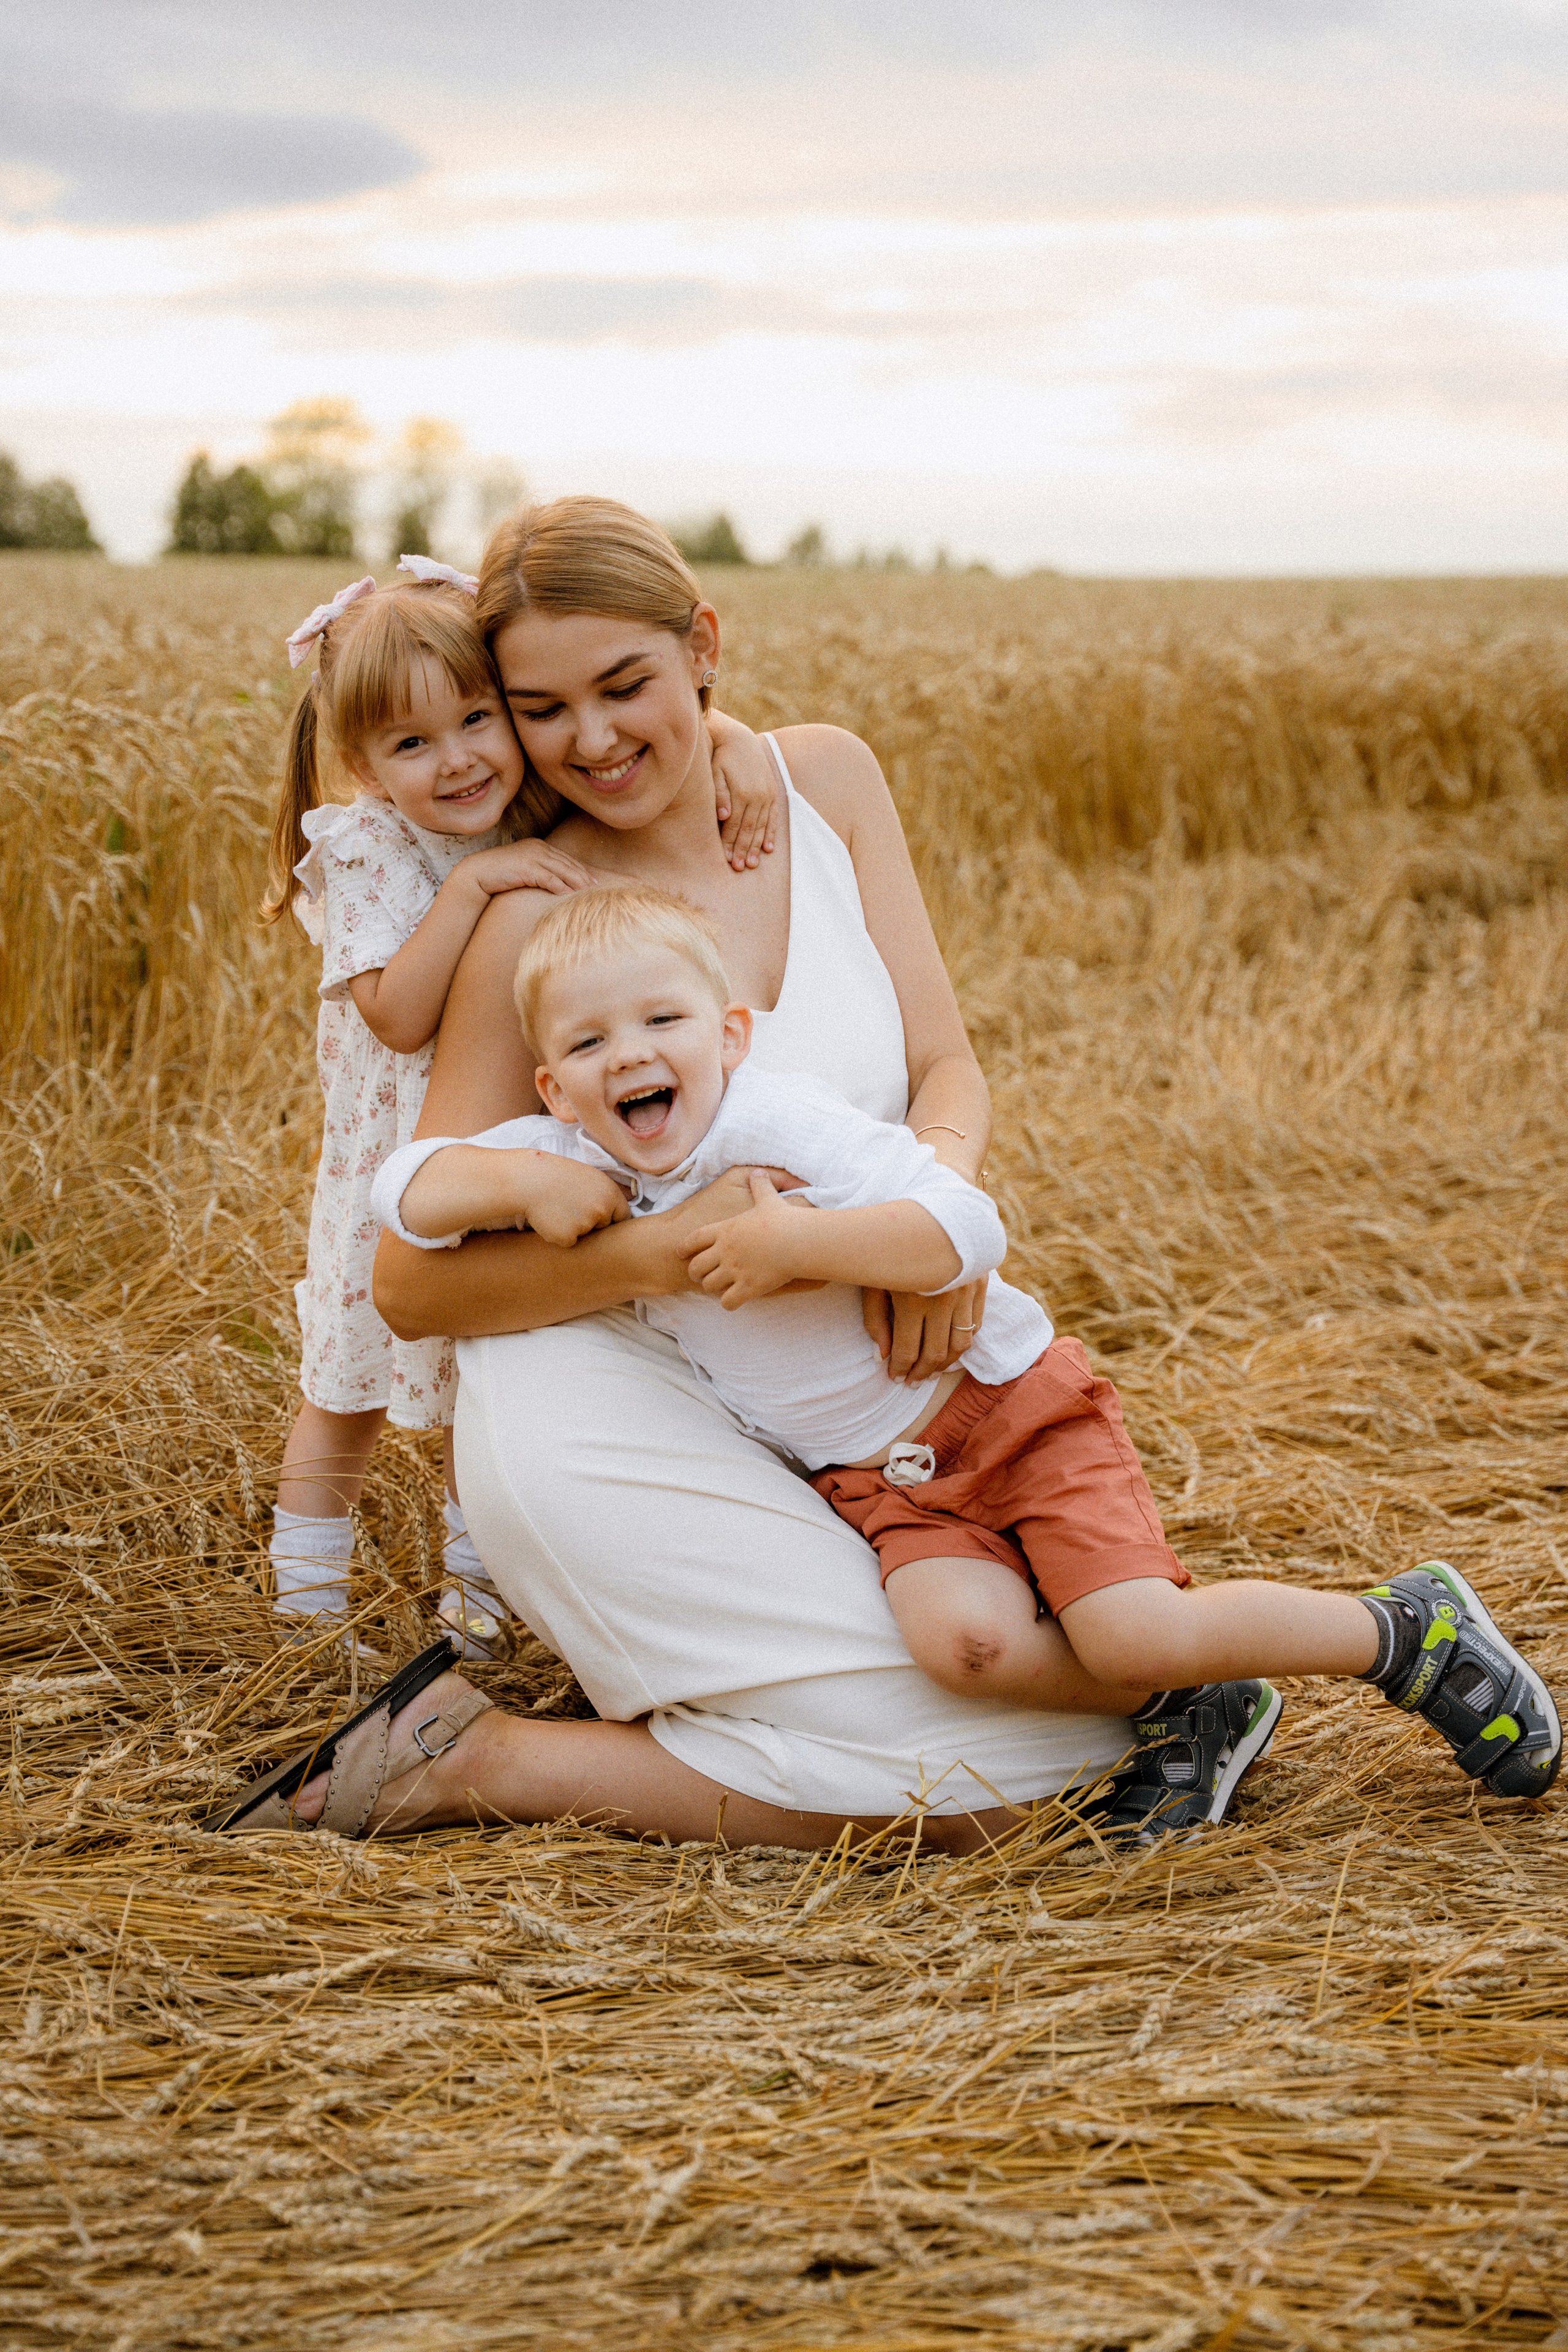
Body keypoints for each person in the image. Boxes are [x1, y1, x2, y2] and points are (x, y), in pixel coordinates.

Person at [208, 497, 1273, 1850]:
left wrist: (925, 1219)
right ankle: (483, 1763)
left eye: (625, 686)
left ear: (702, 646)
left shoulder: (821, 782)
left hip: (842, 1403)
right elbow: (411, 1286)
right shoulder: (535, 910)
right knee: (993, 1797)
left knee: (1057, 1743)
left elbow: (947, 1067)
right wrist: (671, 1249)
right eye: (540, 709)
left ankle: (495, 1749)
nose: (593, 740)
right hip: (614, 1390)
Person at [375, 882, 1559, 1807]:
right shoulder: (577, 1153)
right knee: (968, 1649)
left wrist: (805, 1242)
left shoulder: (777, 1120)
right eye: (589, 1044)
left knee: (1131, 1630)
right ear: (554, 1088)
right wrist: (520, 1179)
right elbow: (407, 1189)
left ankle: (1400, 1631)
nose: (629, 1054)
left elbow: (967, 1225)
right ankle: (1196, 1703)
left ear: (729, 1035)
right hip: (882, 1482)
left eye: (661, 1021)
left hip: (1003, 1410)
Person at [262, 557, 778, 1659]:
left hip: (513, 1149)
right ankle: (306, 1612)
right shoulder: (368, 849)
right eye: (412, 743)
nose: (456, 759)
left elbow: (663, 736)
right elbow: (398, 1016)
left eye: (477, 720)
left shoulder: (523, 808)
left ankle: (479, 1609)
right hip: (394, 1172)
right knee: (346, 1390)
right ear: (363, 765)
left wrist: (731, 742)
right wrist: (470, 892)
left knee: (480, 1389)